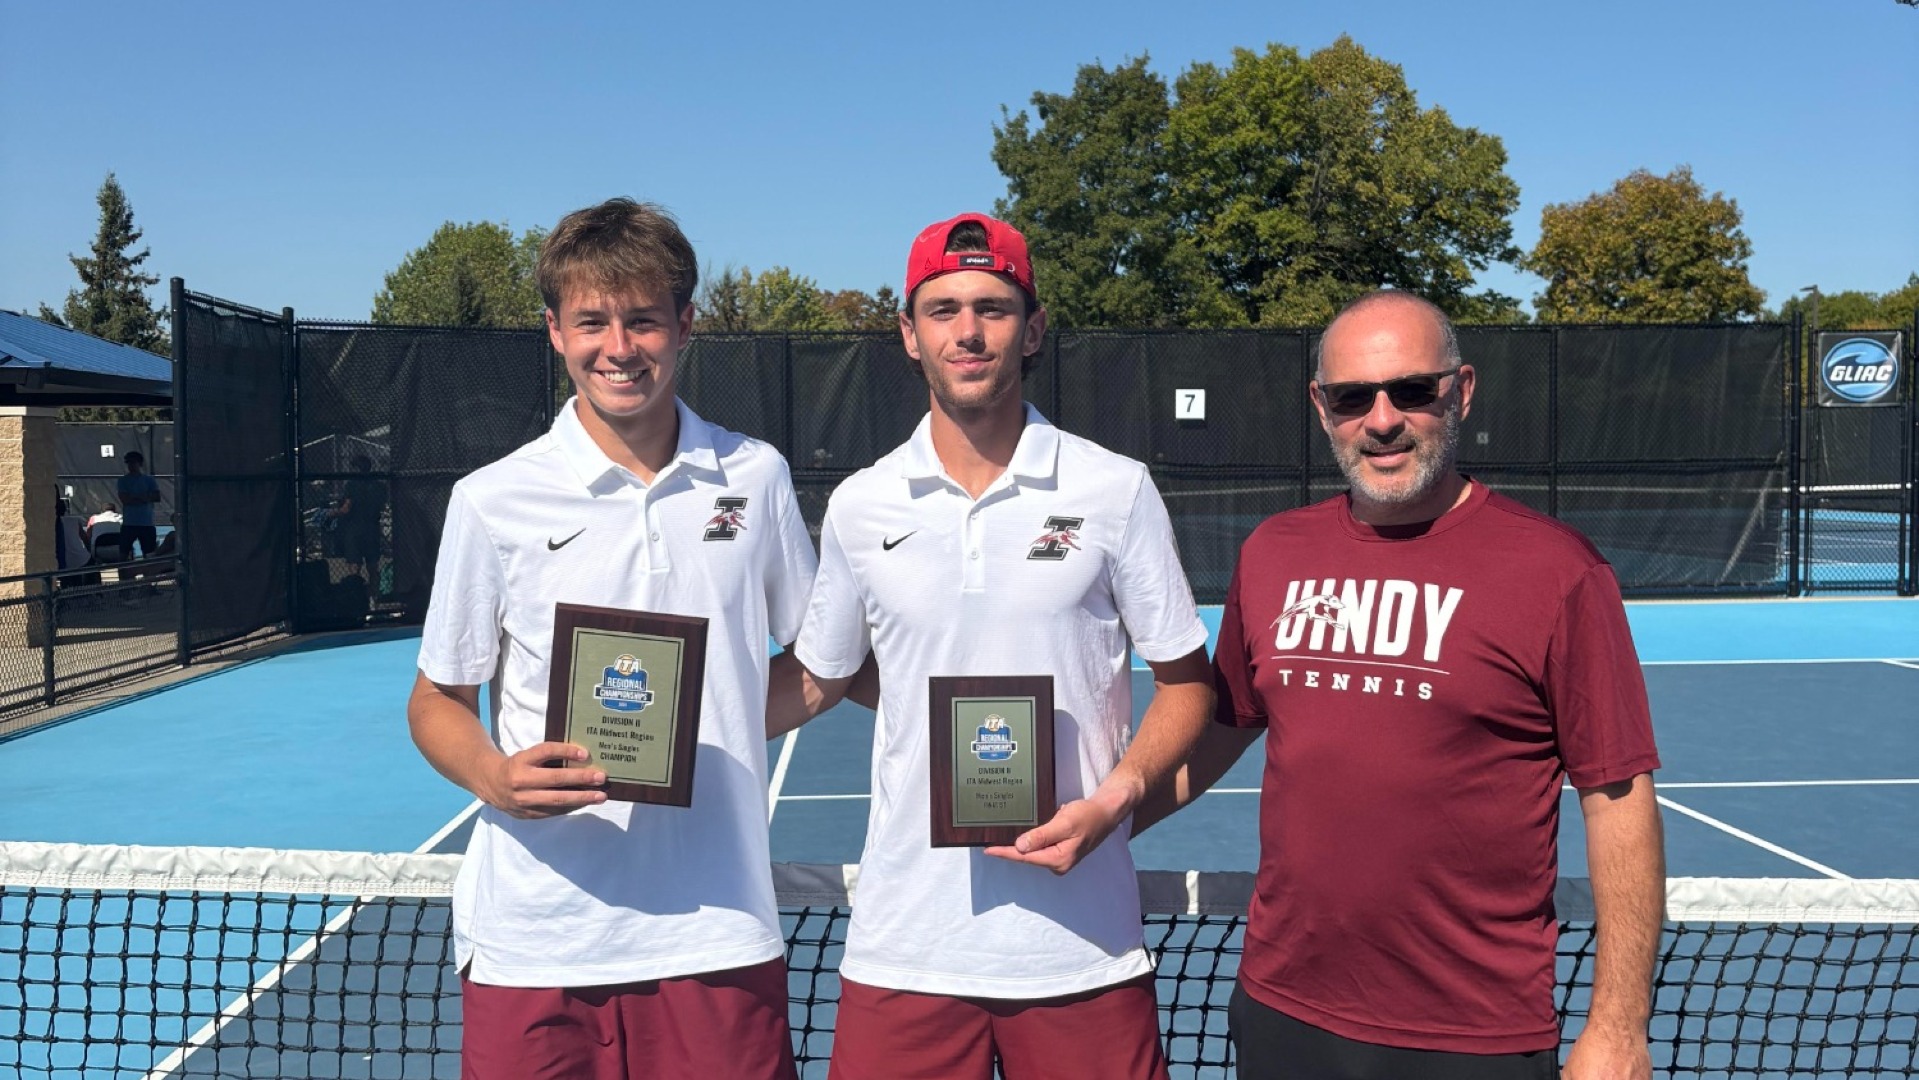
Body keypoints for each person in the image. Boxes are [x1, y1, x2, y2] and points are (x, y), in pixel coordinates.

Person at [1157, 290, 1665, 1079]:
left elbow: (1618, 798)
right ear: (1321, 407)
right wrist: (1103, 818)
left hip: (1470, 1036)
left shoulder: (1558, 571)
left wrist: (1619, 1028)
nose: (1382, 419)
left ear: (1460, 391)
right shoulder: (1271, 553)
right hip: (1282, 1009)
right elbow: (1223, 730)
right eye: (1353, 397)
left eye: (1412, 390)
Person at [771, 212, 1216, 1080]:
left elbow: (1188, 684)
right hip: (905, 951)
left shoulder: (1114, 489)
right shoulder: (863, 506)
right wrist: (655, 736)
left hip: (1080, 945)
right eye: (941, 310)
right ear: (908, 334)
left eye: (992, 307)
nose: (966, 331)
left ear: (1033, 327)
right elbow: (819, 680)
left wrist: (1116, 797)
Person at [407, 197, 814, 1080]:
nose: (618, 347)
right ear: (555, 331)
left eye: (642, 320)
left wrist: (717, 719)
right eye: (592, 321)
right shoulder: (492, 499)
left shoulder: (757, 477)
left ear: (686, 325)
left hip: (719, 930)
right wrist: (494, 777)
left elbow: (817, 662)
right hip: (538, 941)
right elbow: (439, 699)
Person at [329, 453, 386, 588]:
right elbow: (382, 505)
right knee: (372, 566)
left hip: (355, 529)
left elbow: (347, 508)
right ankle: (374, 598)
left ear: (356, 469)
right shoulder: (378, 485)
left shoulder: (352, 485)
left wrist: (332, 513)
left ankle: (355, 596)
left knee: (354, 566)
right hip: (372, 528)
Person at [116, 451, 162, 559]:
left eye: (133, 462)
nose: (130, 465)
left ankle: (149, 575)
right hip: (129, 523)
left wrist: (134, 496)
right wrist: (144, 497)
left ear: (140, 464)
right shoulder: (122, 481)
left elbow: (157, 497)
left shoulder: (149, 480)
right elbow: (125, 500)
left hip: (146, 524)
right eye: (128, 463)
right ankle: (124, 575)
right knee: (123, 554)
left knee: (149, 554)